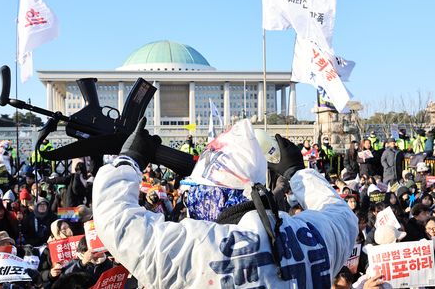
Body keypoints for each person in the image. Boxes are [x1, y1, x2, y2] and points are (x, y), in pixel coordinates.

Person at [92, 118, 358, 288]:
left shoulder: (200, 249)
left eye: (200, 193)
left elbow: (117, 220)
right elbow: (342, 216)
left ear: (216, 196)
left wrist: (128, 160)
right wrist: (298, 173)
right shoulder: (313, 237)